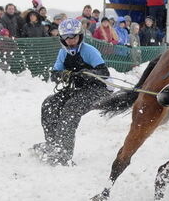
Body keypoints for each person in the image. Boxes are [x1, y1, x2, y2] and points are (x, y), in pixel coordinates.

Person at [32, 19, 111, 166]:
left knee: (71, 107)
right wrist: (63, 75)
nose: (71, 40)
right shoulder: (63, 53)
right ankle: (53, 144)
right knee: (49, 103)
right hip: (77, 89)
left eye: (74, 36)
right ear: (62, 39)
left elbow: (105, 73)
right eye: (67, 37)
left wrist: (89, 72)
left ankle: (63, 153)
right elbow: (54, 74)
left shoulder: (89, 51)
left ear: (80, 36)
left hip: (99, 90)